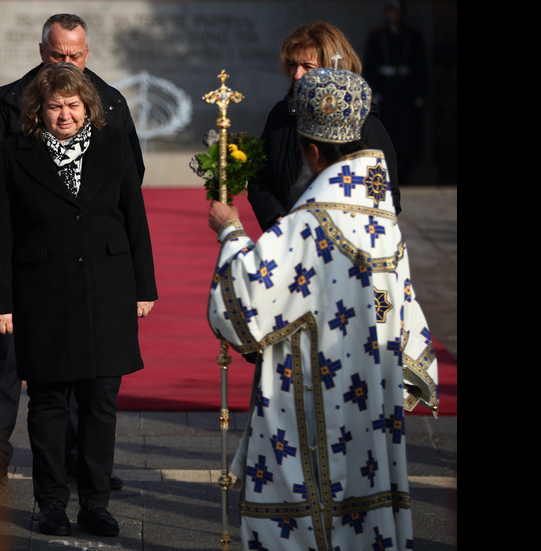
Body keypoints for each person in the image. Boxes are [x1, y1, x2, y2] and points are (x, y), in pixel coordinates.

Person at [206, 67, 439, 549]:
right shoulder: (381, 218)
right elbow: (400, 301)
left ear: (312, 152)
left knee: (314, 518)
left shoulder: (311, 223)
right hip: (371, 401)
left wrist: (230, 232)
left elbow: (242, 312)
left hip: (313, 400)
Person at [0, 13, 144, 492]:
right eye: (57, 54)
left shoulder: (109, 101)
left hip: (85, 261)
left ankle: (82, 464)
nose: (66, 61)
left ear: (87, 54)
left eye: (75, 55)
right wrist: (33, 192)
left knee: (83, 366)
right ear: (41, 50)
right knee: (8, 362)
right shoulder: (9, 99)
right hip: (31, 255)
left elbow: (131, 174)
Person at [247, 21, 402, 233]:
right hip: (289, 241)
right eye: (293, 65)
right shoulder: (280, 114)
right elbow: (260, 180)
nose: (297, 74)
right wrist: (276, 219)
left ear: (332, 68)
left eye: (307, 67)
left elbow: (386, 193)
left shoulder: (364, 122)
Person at [363, 0, 427, 184]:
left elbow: (420, 67)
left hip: (405, 87)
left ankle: (405, 169)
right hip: (386, 88)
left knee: (406, 129)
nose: (395, 14)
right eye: (392, 10)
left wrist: (420, 94)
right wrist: (372, 91)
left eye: (398, 11)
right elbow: (370, 65)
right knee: (387, 127)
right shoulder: (377, 35)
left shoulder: (413, 35)